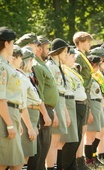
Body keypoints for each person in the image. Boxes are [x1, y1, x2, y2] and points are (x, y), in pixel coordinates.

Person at [29, 36, 59, 170]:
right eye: (47, 48)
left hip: (48, 109)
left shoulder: (41, 64)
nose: (49, 51)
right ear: (39, 49)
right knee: (40, 149)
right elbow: (38, 92)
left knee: (45, 146)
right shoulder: (36, 66)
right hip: (43, 110)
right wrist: (45, 113)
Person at [0, 26, 25, 170]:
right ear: (6, 43)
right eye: (12, 42)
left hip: (11, 113)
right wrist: (9, 124)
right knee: (8, 161)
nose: (13, 46)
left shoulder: (5, 65)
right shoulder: (1, 66)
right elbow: (1, 98)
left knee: (12, 160)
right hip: (5, 115)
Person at [46, 38, 70, 170]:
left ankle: (56, 166)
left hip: (61, 101)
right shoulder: (50, 66)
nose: (66, 54)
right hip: (55, 102)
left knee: (58, 140)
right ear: (58, 51)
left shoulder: (58, 66)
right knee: (53, 141)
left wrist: (65, 113)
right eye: (65, 51)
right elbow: (52, 90)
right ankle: (50, 167)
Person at [73, 31, 93, 169]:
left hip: (87, 94)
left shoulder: (83, 56)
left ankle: (81, 159)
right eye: (87, 41)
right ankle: (78, 160)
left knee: (84, 128)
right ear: (80, 42)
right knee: (80, 129)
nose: (89, 44)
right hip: (81, 94)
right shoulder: (78, 56)